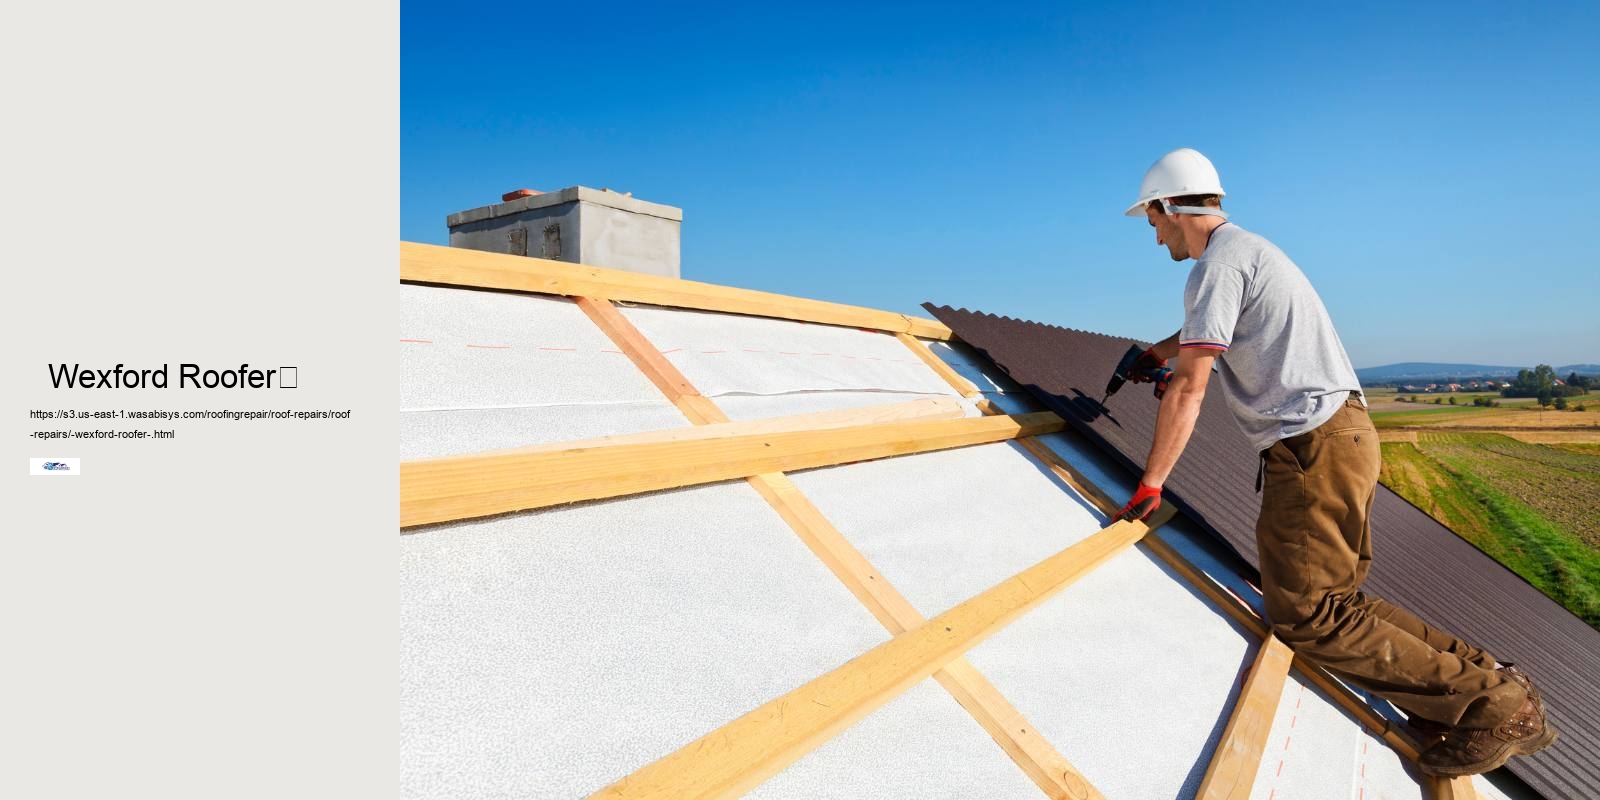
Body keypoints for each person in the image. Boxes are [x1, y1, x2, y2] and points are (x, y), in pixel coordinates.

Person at [1112, 148, 1556, 777]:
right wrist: (1155, 351)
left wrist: (1150, 484)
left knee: (1306, 615)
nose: (1154, 236)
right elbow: (1205, 340)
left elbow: (1191, 385)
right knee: (1337, 601)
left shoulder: (1214, 266)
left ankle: (1495, 707)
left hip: (1311, 446)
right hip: (1341, 436)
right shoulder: (1249, 252)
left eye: (1151, 222)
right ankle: (1487, 683)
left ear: (1168, 207)